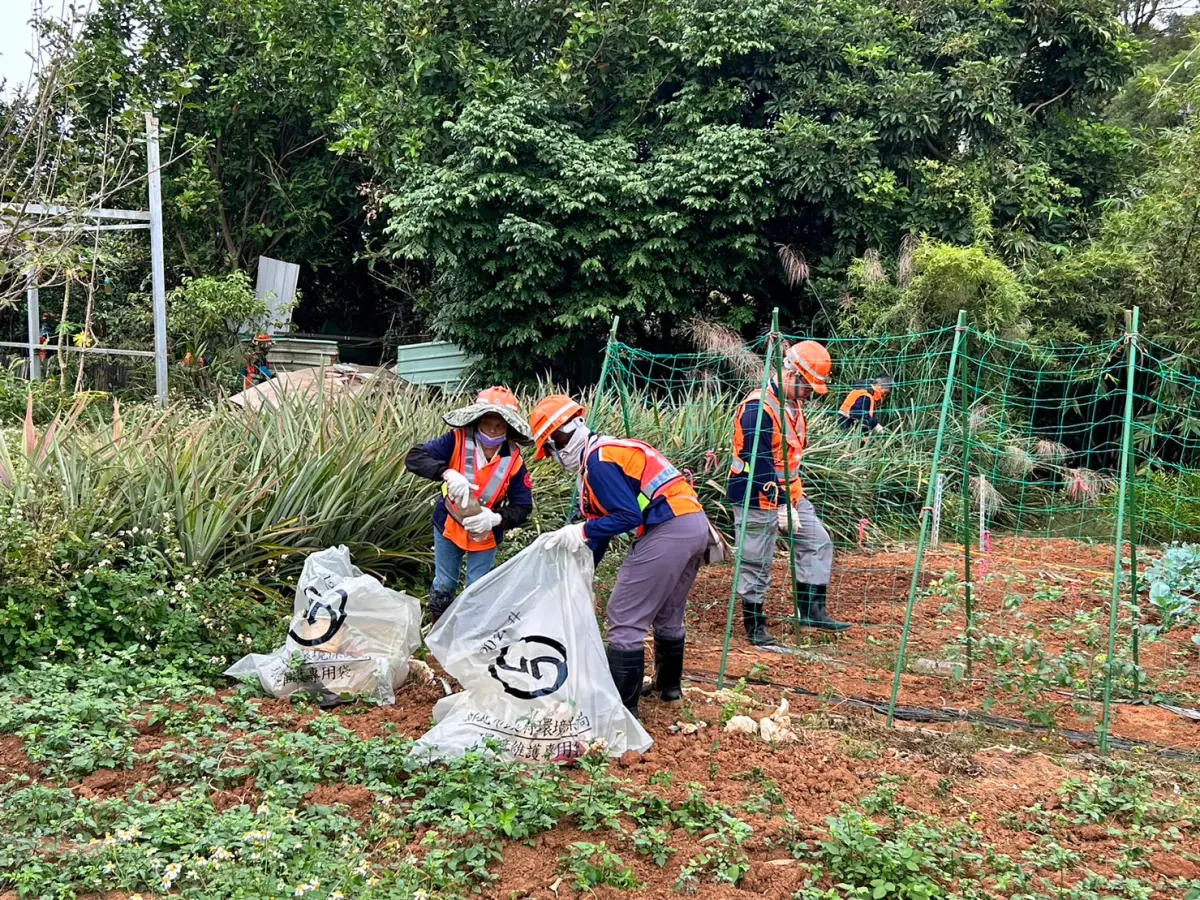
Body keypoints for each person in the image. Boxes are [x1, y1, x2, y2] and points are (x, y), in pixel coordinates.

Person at [533, 395, 710, 718]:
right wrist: (583, 570)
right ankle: (668, 689)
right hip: (694, 525)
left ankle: (621, 710)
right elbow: (604, 528)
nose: (553, 456)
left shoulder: (599, 463)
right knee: (668, 611)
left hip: (667, 528)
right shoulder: (608, 452)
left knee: (625, 616)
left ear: (560, 437)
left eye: (550, 447)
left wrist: (581, 532)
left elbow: (627, 517)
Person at [727, 340, 849, 645]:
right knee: (757, 560)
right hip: (756, 497)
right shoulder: (758, 408)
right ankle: (755, 627)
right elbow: (760, 462)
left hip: (791, 496)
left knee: (818, 542)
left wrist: (790, 500)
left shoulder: (793, 406)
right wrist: (781, 505)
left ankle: (811, 610)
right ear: (791, 374)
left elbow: (789, 460)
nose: (810, 392)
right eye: (808, 385)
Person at [405, 387, 534, 622]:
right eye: (487, 422)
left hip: (485, 530)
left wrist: (496, 519)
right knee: (444, 583)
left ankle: (466, 638)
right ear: (477, 421)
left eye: (500, 425)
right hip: (448, 524)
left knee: (477, 587)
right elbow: (415, 457)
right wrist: (447, 473)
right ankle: (438, 634)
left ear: (509, 428)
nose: (493, 430)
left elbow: (523, 506)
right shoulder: (456, 440)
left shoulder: (515, 461)